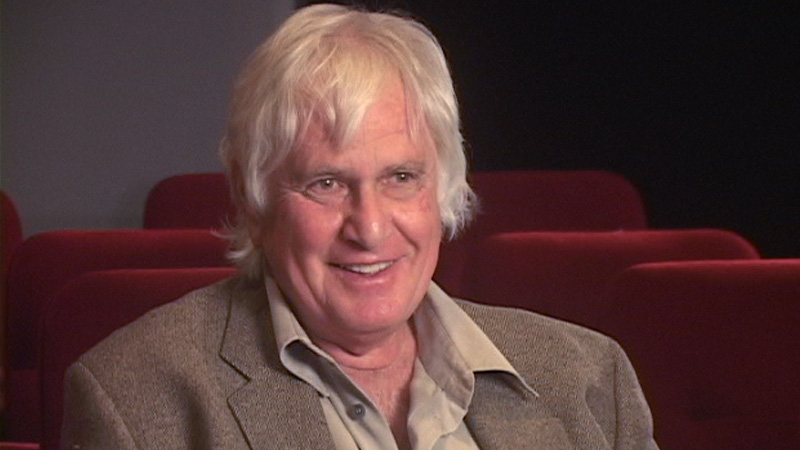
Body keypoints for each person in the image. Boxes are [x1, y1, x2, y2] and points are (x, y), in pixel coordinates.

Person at [62, 4, 658, 449]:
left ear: (444, 187)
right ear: (253, 198)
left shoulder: (587, 376)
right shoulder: (139, 399)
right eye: (326, 183)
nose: (369, 228)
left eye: (401, 177)